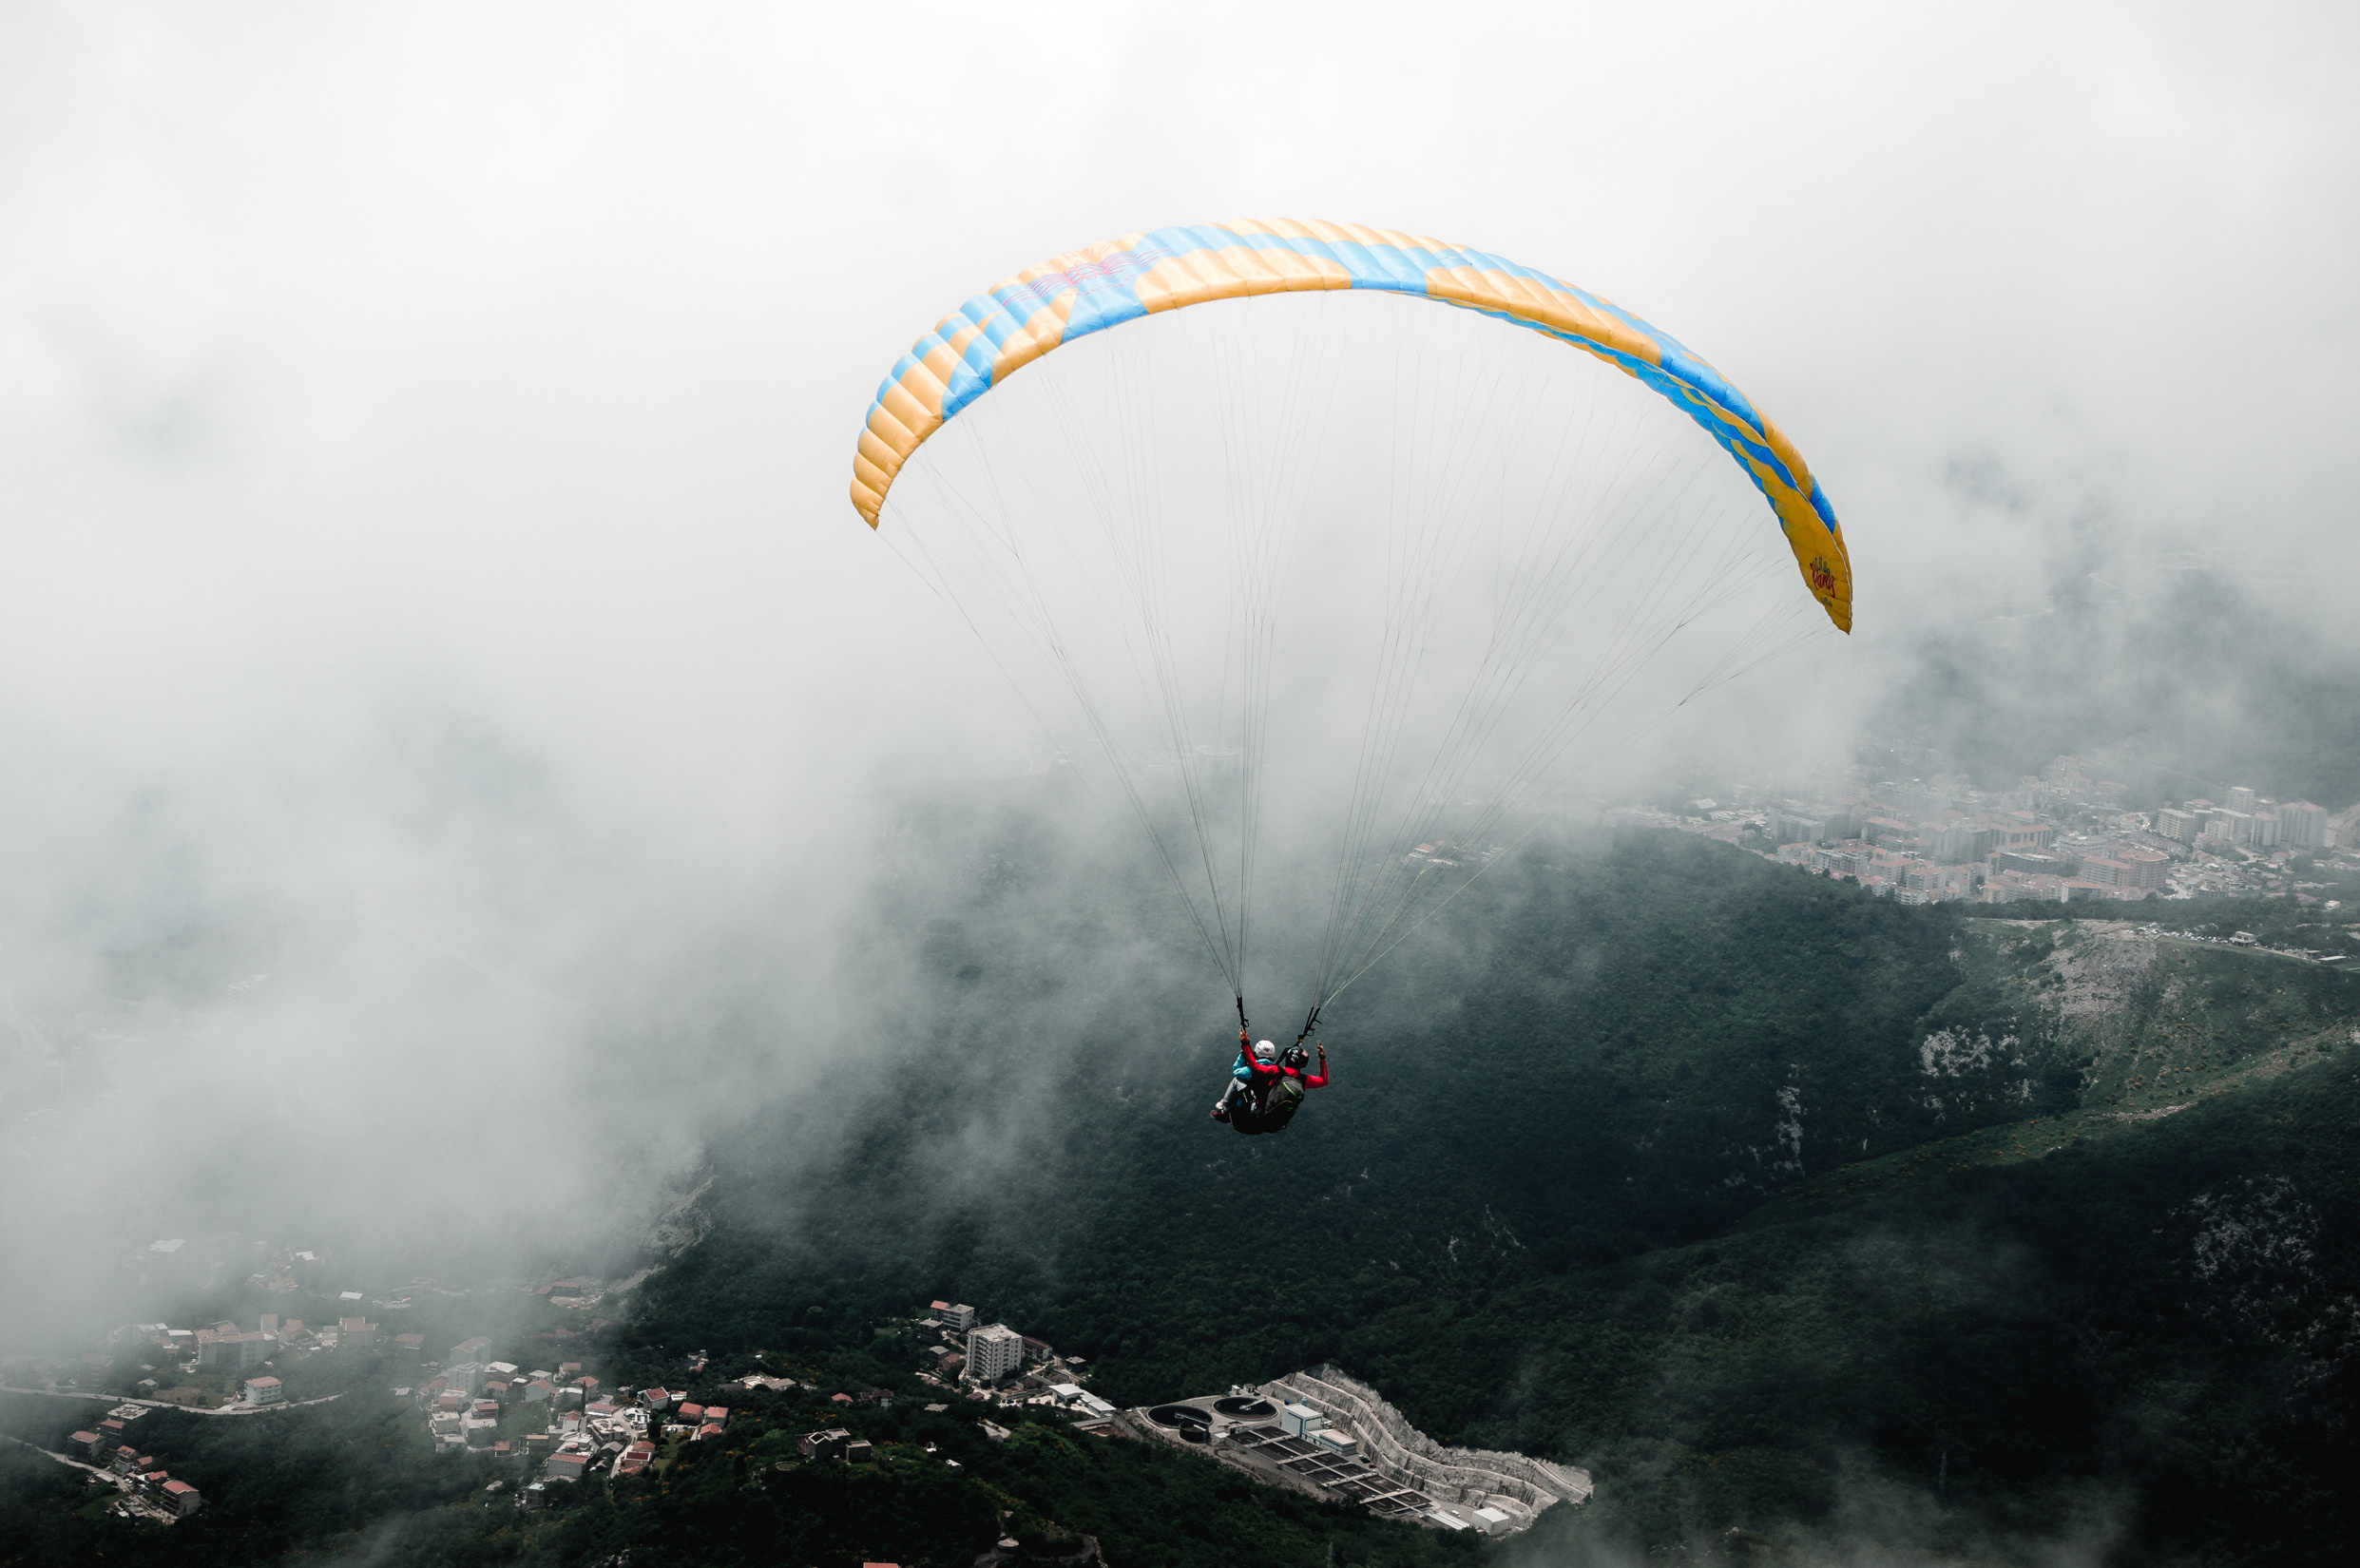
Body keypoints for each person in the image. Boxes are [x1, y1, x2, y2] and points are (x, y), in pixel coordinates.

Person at [1214, 1034, 1330, 1135]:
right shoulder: (1304, 1080)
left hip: (1258, 1111)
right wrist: (1322, 1058)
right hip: (1276, 1123)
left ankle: (1224, 1111)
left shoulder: (1277, 1070)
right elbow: (1324, 1080)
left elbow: (1255, 1067)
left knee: (1237, 1081)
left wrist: (1246, 1045)